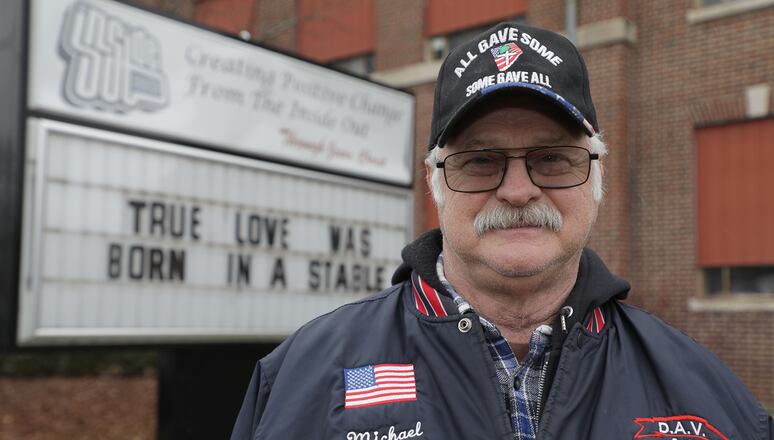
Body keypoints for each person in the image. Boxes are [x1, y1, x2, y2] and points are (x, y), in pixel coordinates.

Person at [231, 22, 773, 439]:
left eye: (553, 159)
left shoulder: (712, 399)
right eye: (481, 161)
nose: (518, 191)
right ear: (434, 183)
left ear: (597, 176)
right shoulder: (297, 379)